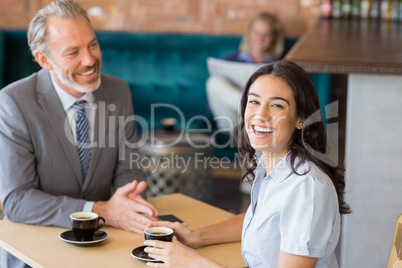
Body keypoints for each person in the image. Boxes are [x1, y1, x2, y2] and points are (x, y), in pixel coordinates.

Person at [143, 60, 351, 268]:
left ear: (301, 119)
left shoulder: (306, 188)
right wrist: (195, 236)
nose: (260, 115)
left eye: (277, 105)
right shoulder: (272, 165)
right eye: (254, 102)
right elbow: (261, 221)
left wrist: (192, 263)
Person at [0, 0, 159, 266]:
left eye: (93, 44)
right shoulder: (13, 102)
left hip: (105, 245)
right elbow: (17, 201)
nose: (90, 59)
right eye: (73, 52)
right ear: (44, 59)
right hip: (35, 250)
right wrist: (99, 210)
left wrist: (128, 199)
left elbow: (128, 168)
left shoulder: (118, 91)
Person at [206, 12, 285, 131]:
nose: (260, 38)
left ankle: (254, 112)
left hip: (260, 122)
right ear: (249, 33)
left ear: (273, 37)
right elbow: (210, 105)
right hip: (232, 122)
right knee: (213, 82)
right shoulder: (230, 61)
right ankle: (252, 108)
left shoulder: (278, 67)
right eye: (257, 32)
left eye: (266, 34)